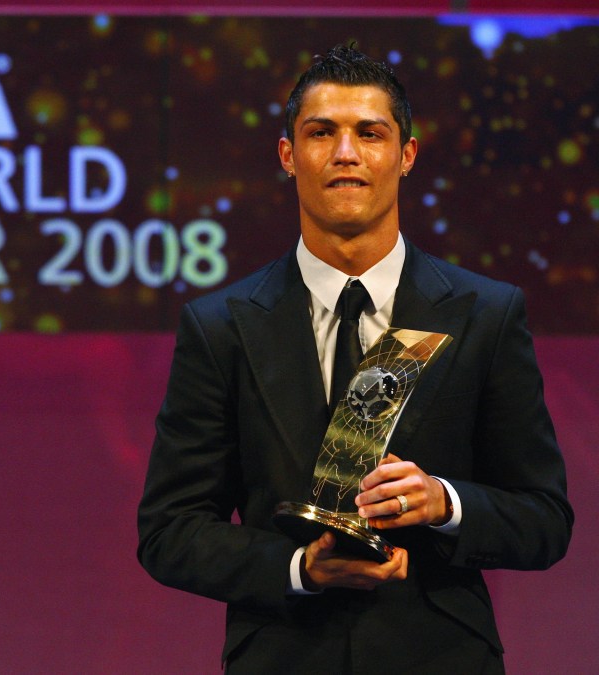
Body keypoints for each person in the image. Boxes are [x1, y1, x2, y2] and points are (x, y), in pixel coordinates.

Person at [137, 44, 573, 673]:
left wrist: (444, 502)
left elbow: (545, 521)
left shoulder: (486, 314)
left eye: (370, 133)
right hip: (282, 654)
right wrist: (298, 569)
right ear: (289, 155)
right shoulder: (220, 327)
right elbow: (169, 530)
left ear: (407, 154)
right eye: (322, 133)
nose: (346, 153)